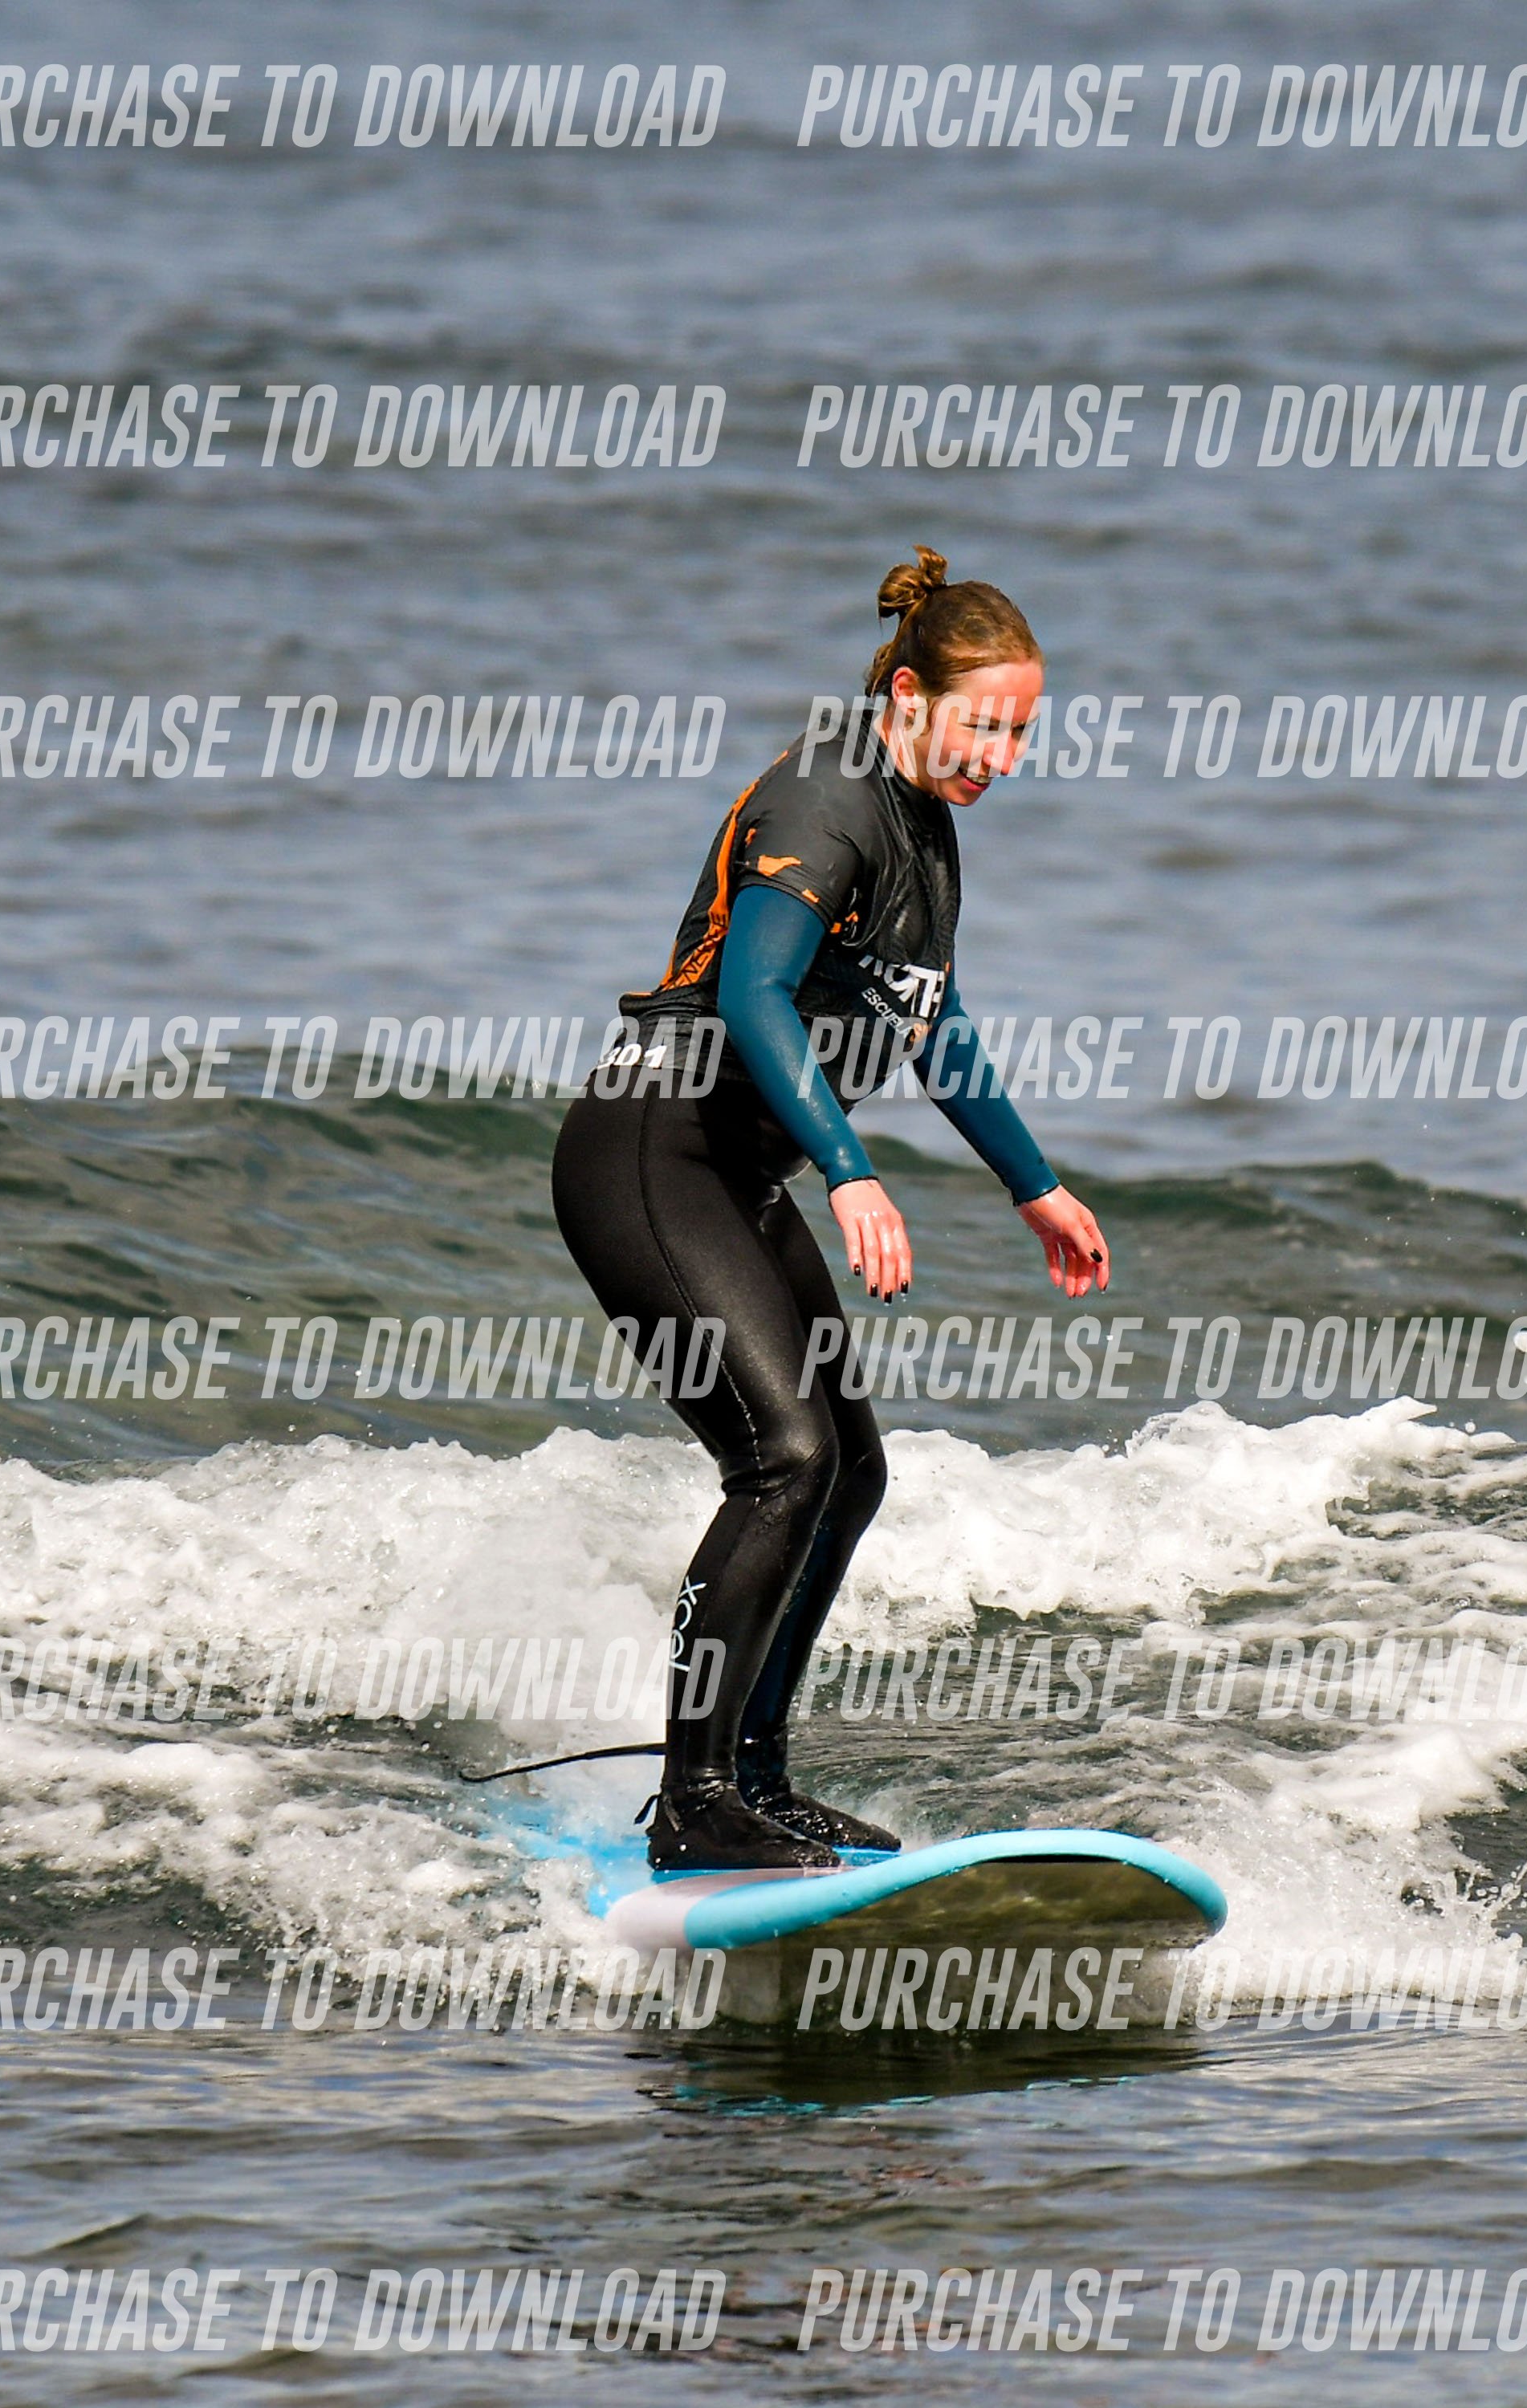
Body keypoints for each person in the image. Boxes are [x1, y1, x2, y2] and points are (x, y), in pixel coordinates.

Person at [551, 548, 1113, 1872]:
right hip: (654, 1147)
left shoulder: (926, 827)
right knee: (786, 1460)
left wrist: (1034, 1184)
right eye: (985, 727)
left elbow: (933, 1021)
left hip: (736, 1171)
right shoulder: (829, 794)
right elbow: (754, 992)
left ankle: (755, 1777)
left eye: (1022, 735)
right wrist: (853, 1171)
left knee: (850, 1472)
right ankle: (693, 1802)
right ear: (909, 698)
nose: (1004, 758)